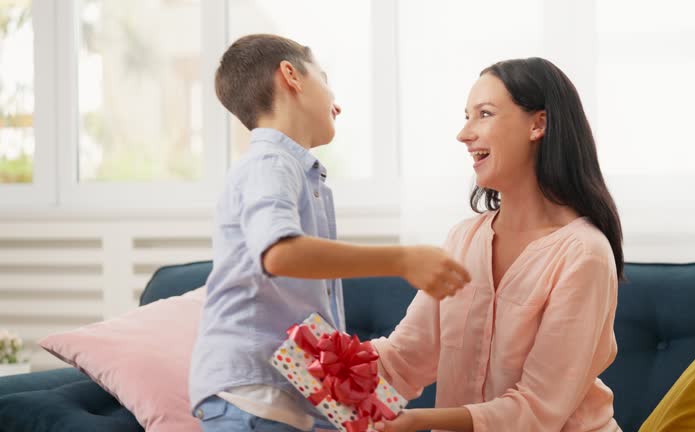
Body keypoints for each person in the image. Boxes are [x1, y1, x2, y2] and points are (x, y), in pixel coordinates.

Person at [188, 34, 471, 432]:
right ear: (291, 75)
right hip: (253, 395)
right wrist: (401, 259)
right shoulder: (270, 162)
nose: (337, 103)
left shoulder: (296, 172)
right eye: (326, 80)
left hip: (286, 396)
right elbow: (280, 254)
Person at [372, 57, 624, 432]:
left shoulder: (584, 253)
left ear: (538, 124)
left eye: (484, 114)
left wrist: (414, 421)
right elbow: (403, 360)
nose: (464, 133)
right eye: (466, 116)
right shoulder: (463, 238)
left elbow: (538, 409)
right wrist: (302, 357)